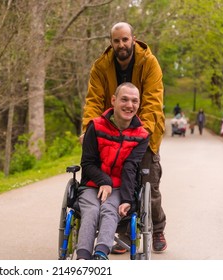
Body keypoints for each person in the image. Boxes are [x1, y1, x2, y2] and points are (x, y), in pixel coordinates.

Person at [80, 22, 167, 253]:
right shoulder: (100, 66)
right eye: (117, 40)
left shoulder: (149, 63)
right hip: (109, 128)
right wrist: (89, 129)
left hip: (142, 130)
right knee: (110, 173)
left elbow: (152, 103)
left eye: (125, 40)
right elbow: (93, 101)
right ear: (111, 42)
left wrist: (140, 134)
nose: (121, 45)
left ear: (133, 39)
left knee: (148, 181)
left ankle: (157, 227)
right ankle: (121, 231)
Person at [77, 82, 149, 260]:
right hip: (91, 185)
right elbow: (87, 162)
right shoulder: (95, 126)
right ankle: (83, 257)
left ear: (139, 104)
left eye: (134, 101)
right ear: (114, 100)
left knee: (110, 209)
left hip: (119, 187)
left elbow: (130, 168)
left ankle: (101, 254)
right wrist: (104, 181)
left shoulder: (142, 136)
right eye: (124, 99)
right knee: (92, 210)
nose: (129, 105)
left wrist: (127, 200)